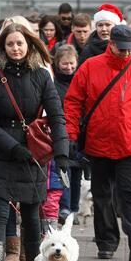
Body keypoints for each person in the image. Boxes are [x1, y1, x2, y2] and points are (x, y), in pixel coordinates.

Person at [65, 25, 131, 261]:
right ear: (111, 43)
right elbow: (73, 102)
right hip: (99, 143)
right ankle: (106, 242)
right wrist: (70, 134)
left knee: (130, 192)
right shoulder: (90, 67)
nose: (126, 54)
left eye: (129, 49)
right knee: (101, 194)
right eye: (121, 49)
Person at [0, 23, 68, 261]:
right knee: (0, 211)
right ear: (2, 47)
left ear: (29, 44)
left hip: (33, 154)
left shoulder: (41, 76)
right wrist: (13, 147)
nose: (15, 48)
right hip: (1, 152)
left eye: (19, 43)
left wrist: (62, 151)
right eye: (10, 44)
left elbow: (56, 114)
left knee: (31, 215)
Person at [51, 45, 80, 223]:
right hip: (61, 133)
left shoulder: (81, 79)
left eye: (71, 63)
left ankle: (74, 208)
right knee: (64, 171)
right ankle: (65, 206)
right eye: (64, 64)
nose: (68, 67)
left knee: (76, 173)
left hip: (79, 133)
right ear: (57, 63)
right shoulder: (53, 83)